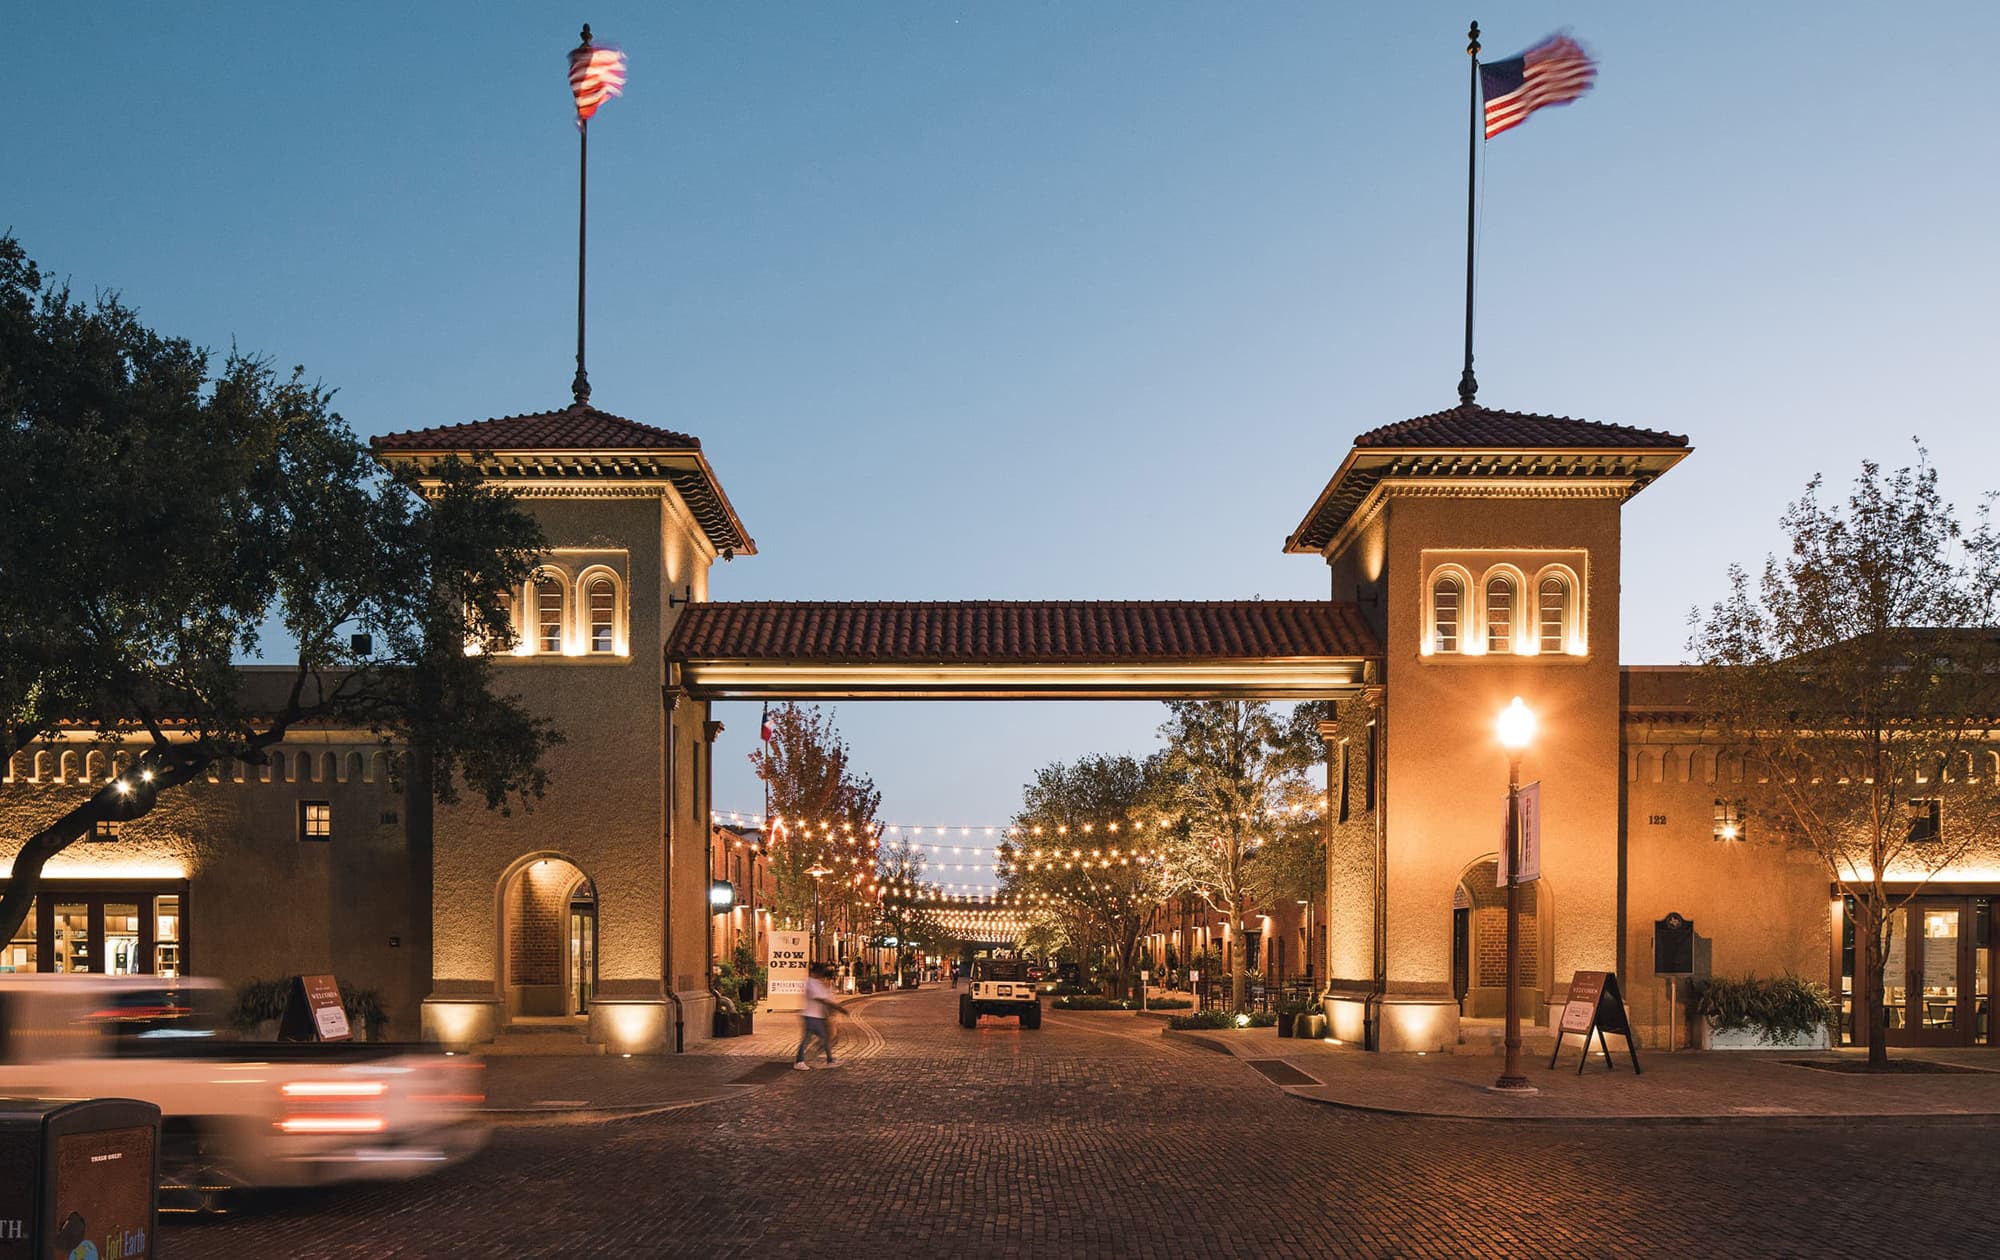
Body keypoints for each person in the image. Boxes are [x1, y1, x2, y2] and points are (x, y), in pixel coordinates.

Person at [794, 962, 850, 1070]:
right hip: (810, 1016)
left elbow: (825, 997)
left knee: (825, 1038)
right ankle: (799, 1061)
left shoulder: (817, 983)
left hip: (817, 1016)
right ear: (817, 972)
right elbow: (821, 999)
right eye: (822, 972)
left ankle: (829, 1060)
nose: (823, 975)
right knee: (808, 1039)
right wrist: (838, 1008)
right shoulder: (810, 982)